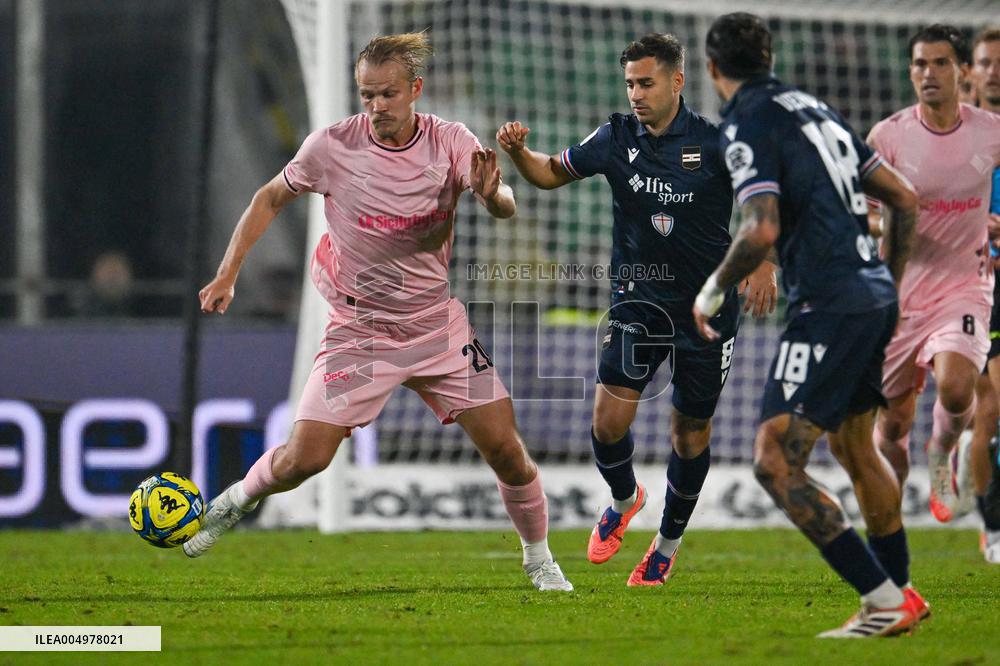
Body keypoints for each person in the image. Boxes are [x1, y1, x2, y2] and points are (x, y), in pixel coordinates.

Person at [185, 33, 574, 592]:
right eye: (366, 95)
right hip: (361, 331)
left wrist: (492, 196)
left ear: (415, 89)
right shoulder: (330, 147)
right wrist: (228, 272)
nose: (376, 106)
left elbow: (504, 203)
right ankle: (235, 500)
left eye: (388, 94)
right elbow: (268, 197)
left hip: (435, 327)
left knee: (507, 450)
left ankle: (539, 559)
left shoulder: (450, 141)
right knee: (303, 460)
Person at [497, 33, 777, 587]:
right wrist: (518, 155)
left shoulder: (716, 142)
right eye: (629, 83)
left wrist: (764, 261)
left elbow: (763, 201)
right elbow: (550, 172)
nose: (635, 94)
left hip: (707, 307)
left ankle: (666, 546)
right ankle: (625, 499)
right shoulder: (615, 136)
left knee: (689, 433)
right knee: (607, 423)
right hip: (638, 298)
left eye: (646, 83)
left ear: (677, 81)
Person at [693, 13, 926, 637]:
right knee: (854, 446)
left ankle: (884, 600)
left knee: (775, 461)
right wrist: (886, 282)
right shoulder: (816, 109)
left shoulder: (747, 120)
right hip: (870, 296)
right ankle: (901, 592)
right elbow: (904, 198)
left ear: (712, 68)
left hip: (827, 303)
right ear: (769, 58)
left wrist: (712, 290)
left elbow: (760, 227)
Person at [866, 25, 1000, 524]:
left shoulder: (990, 131)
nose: (929, 73)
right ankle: (890, 511)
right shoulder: (888, 136)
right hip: (900, 291)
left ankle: (942, 453)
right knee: (891, 426)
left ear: (962, 71)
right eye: (920, 64)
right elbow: (863, 213)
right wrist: (898, 221)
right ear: (910, 72)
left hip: (965, 285)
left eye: (941, 63)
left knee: (958, 388)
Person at [957, 27, 1000, 562]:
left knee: (988, 410)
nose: (994, 72)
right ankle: (993, 524)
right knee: (989, 405)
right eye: (987, 62)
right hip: (970, 281)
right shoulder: (957, 133)